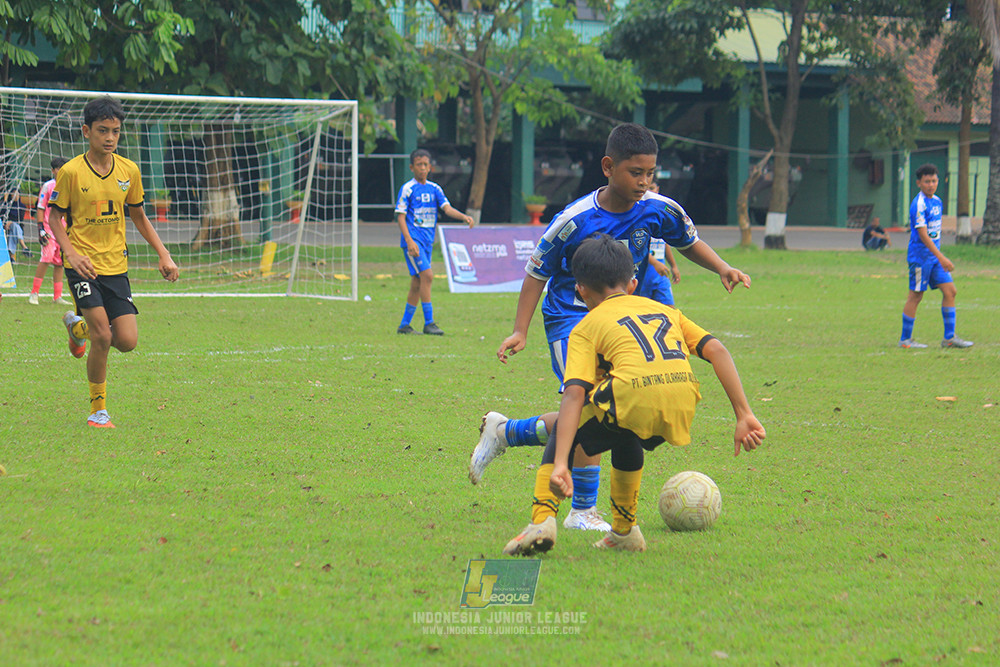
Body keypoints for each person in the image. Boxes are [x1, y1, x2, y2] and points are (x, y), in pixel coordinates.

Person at [469, 123, 751, 532]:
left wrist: (722, 267)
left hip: (619, 314)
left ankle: (507, 432)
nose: (644, 182)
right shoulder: (574, 220)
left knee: (604, 409)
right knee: (586, 404)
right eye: (635, 172)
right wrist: (520, 330)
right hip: (571, 315)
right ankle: (582, 511)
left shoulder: (658, 208)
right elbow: (536, 273)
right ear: (608, 166)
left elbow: (688, 242)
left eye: (650, 173)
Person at [502, 234, 765, 555]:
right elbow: (718, 350)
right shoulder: (666, 311)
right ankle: (624, 531)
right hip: (680, 403)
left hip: (634, 395)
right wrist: (744, 414)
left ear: (580, 289)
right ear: (633, 283)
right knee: (624, 428)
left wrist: (561, 463)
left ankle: (541, 520)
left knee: (575, 423)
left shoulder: (586, 326)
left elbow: (573, 395)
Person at [48, 95, 179, 428]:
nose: (109, 138)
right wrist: (72, 254)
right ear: (86, 131)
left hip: (116, 265)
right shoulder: (71, 172)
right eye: (102, 130)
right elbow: (53, 218)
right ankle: (98, 411)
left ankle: (77, 328)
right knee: (103, 337)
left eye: (115, 131)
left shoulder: (129, 171)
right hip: (82, 265)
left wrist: (163, 253)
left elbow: (138, 216)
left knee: (127, 341)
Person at [395, 148, 474, 336]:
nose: (422, 168)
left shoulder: (435, 188)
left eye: (425, 165)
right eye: (419, 165)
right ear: (412, 167)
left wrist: (464, 217)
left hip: (427, 241)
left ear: (430, 167)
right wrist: (409, 240)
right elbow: (400, 216)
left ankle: (404, 325)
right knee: (428, 276)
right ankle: (429, 323)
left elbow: (447, 208)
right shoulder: (408, 188)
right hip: (413, 242)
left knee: (417, 281)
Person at [898, 163, 973, 349]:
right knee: (916, 295)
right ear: (918, 183)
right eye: (927, 181)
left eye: (934, 180)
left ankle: (949, 338)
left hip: (935, 258)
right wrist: (942, 257)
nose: (931, 184)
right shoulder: (919, 204)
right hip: (920, 258)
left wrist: (938, 257)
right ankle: (905, 340)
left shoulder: (937, 201)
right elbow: (923, 235)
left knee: (951, 291)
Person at [29, 157, 71, 305]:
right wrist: (40, 228)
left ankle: (57, 296)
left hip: (64, 230)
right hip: (48, 227)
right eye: (59, 169)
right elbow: (40, 208)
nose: (61, 172)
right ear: (53, 171)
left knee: (59, 262)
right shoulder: (48, 186)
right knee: (46, 257)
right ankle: (34, 293)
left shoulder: (70, 186)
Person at [2, 192, 30, 262]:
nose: (15, 196)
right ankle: (24, 247)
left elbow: (20, 219)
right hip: (5, 226)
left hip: (16, 227)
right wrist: (5, 200)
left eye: (16, 194)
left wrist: (10, 222)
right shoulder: (8, 204)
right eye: (13, 194)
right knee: (13, 229)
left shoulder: (21, 206)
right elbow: (2, 214)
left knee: (13, 229)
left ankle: (11, 257)